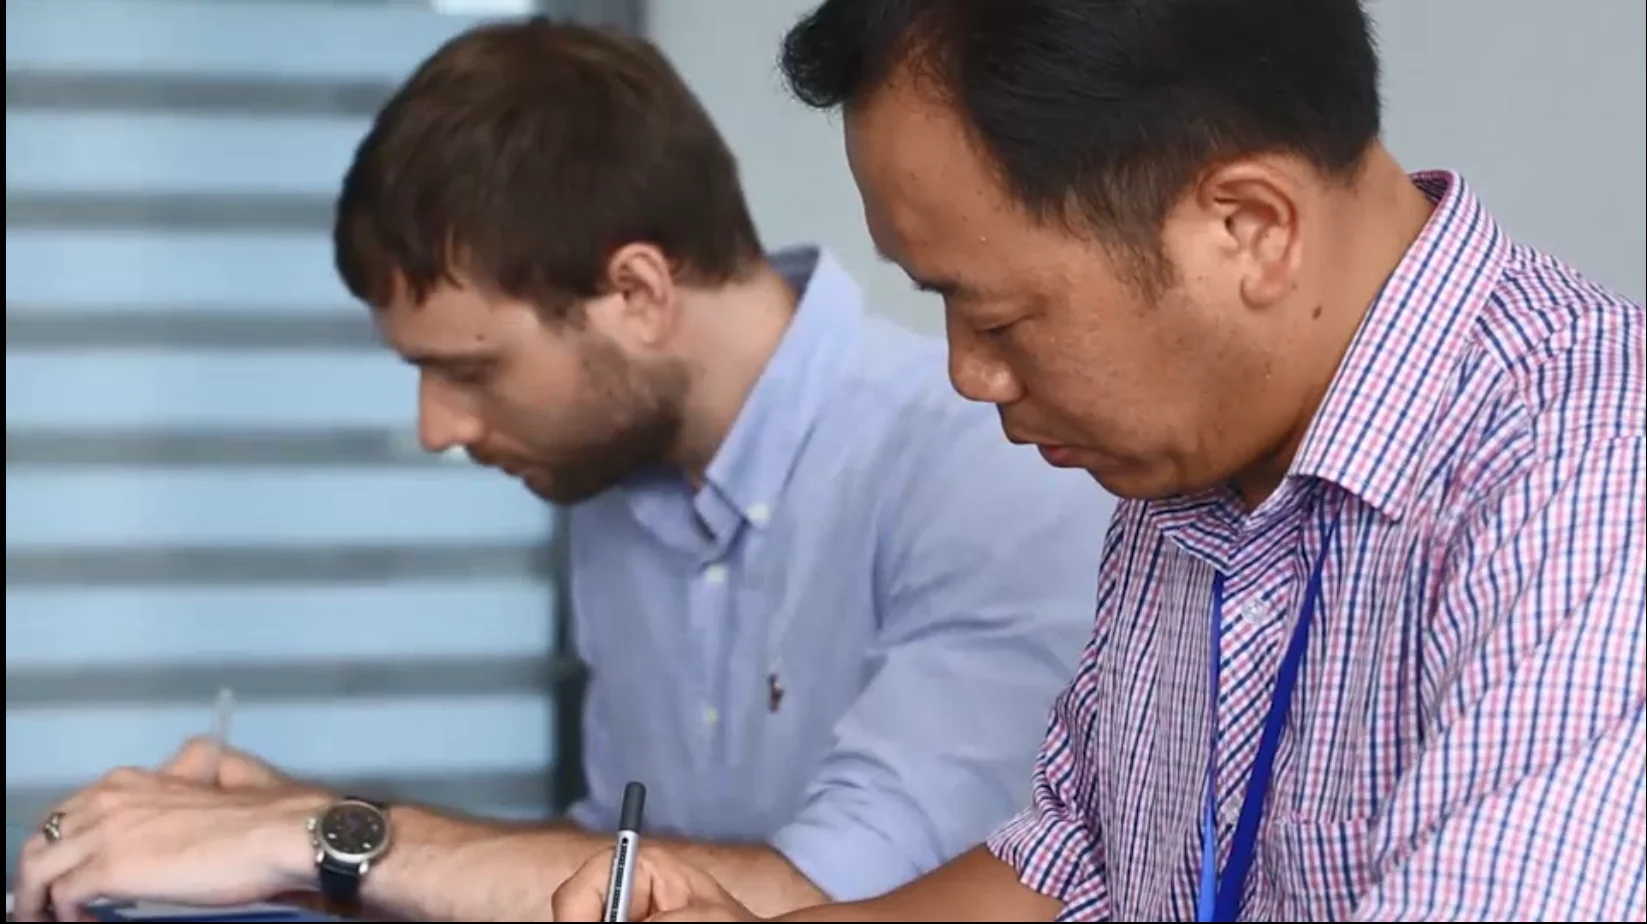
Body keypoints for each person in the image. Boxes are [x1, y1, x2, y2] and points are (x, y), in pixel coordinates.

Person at [545, 0, 1647, 920]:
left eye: (1000, 318)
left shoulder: (1587, 478)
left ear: (1250, 227)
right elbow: (1075, 864)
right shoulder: (1188, 464)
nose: (971, 375)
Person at [8, 16, 1116, 924]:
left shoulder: (991, 467)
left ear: (635, 292)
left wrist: (324, 838)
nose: (436, 427)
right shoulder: (619, 478)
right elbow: (614, 872)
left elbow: (830, 903)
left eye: (471, 370)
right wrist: (293, 838)